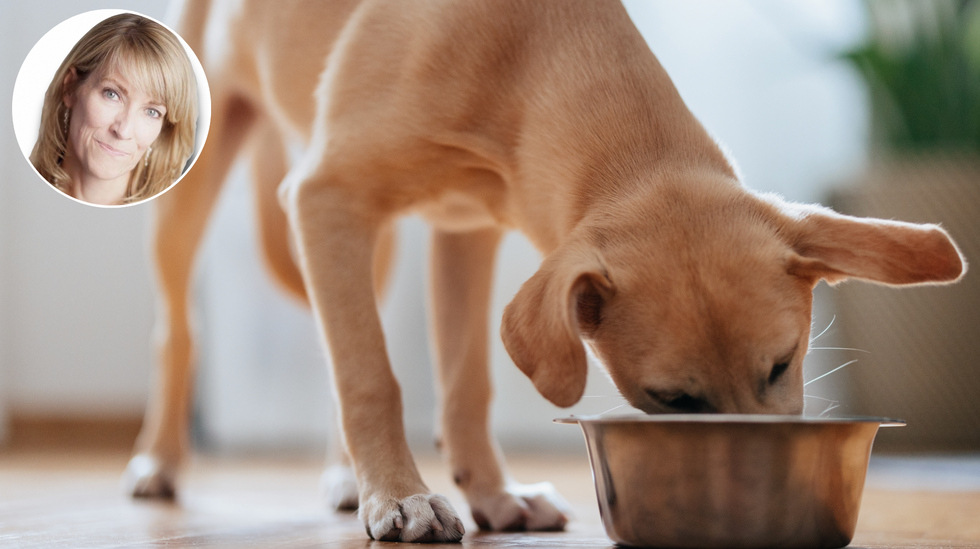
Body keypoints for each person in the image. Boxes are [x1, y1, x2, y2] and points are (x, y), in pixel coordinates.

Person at [30, 13, 198, 206]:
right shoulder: (14, 197)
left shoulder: (164, 225)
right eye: (112, 94)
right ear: (70, 87)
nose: (123, 130)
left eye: (152, 112)